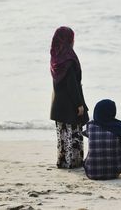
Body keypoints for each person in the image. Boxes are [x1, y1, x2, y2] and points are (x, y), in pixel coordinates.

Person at [50, 26, 89, 169]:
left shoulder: (56, 58)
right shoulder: (69, 59)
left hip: (58, 104)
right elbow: (72, 84)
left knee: (62, 133)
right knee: (73, 133)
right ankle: (74, 161)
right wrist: (79, 104)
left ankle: (63, 160)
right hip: (70, 103)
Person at [83, 99, 121, 180]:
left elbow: (84, 133)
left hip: (92, 172)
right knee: (118, 140)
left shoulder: (90, 126)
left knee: (94, 142)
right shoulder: (118, 126)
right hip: (115, 172)